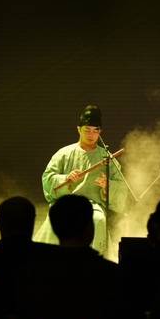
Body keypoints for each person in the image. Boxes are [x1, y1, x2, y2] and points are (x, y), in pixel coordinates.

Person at [36, 105, 127, 256]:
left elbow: (122, 187)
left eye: (95, 130)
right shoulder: (64, 153)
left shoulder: (107, 158)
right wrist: (66, 179)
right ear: (79, 129)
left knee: (98, 220)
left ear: (100, 132)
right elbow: (47, 178)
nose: (91, 134)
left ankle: (93, 261)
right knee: (55, 219)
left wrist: (108, 186)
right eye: (87, 130)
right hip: (65, 203)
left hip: (93, 206)